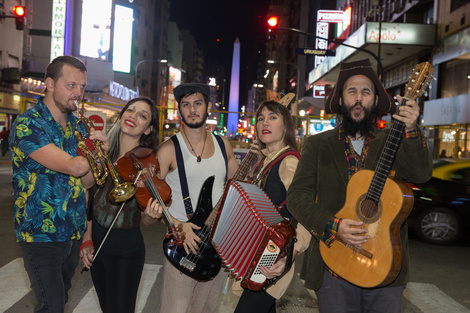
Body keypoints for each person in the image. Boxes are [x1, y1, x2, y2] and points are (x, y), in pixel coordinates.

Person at [286, 58, 433, 313]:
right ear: (341, 99)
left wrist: (411, 129)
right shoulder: (318, 144)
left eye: (366, 92)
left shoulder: (394, 138)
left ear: (376, 101)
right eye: (351, 91)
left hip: (385, 266)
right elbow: (297, 197)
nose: (358, 98)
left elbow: (421, 175)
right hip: (333, 264)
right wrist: (335, 225)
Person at [9, 55, 107, 312]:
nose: (78, 93)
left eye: (82, 87)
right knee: (51, 306)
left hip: (72, 232)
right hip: (39, 233)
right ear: (50, 84)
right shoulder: (28, 124)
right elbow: (74, 166)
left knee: (58, 302)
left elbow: (85, 181)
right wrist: (95, 153)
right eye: (71, 85)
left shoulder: (79, 127)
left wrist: (97, 154)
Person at [156, 83, 239, 313]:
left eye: (198, 103)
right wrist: (177, 225)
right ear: (180, 110)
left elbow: (239, 185)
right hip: (183, 242)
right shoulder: (168, 149)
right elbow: (150, 197)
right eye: (186, 104)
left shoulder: (223, 145)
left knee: (207, 309)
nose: (192, 109)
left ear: (208, 106)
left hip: (217, 244)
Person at [80, 97, 163, 313]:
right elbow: (87, 190)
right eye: (131, 110)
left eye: (142, 116)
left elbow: (145, 220)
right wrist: (86, 239)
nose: (134, 116)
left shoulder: (148, 166)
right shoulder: (101, 149)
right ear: (122, 114)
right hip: (97, 247)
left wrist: (152, 216)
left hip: (127, 251)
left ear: (148, 129)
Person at [232, 100, 311, 313]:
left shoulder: (289, 162)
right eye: (260, 119)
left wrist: (291, 254)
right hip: (259, 254)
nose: (264, 123)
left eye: (273, 117)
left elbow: (306, 211)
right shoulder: (267, 160)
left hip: (272, 258)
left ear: (286, 126)